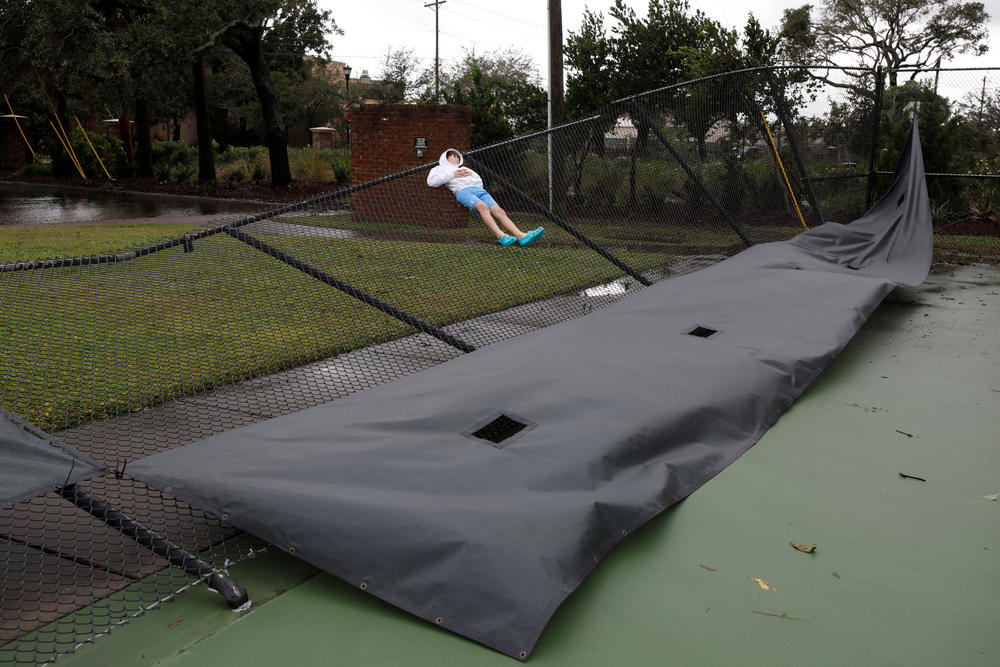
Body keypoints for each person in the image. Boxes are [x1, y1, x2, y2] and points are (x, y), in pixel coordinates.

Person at [427, 148, 545, 247]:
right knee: (482, 206)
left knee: (500, 212)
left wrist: (470, 178)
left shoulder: (466, 168)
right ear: (446, 158)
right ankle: (501, 236)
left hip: (480, 191)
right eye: (453, 156)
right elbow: (431, 182)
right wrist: (453, 174)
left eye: (458, 156)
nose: (456, 158)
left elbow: (478, 180)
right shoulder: (439, 169)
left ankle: (521, 236)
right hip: (463, 192)